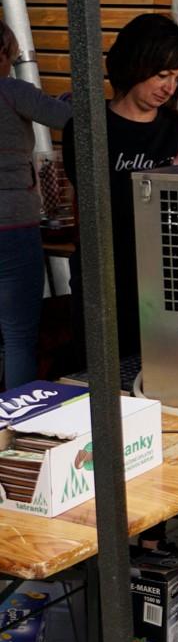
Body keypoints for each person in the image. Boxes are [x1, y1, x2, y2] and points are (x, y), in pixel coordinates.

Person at [63, 13, 178, 363]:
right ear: (135, 63)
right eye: (162, 75)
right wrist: (174, 168)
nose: (169, 88)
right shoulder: (87, 128)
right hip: (108, 283)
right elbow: (106, 206)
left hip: (171, 283)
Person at [0, 21, 71, 388]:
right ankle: (17, 414)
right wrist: (70, 101)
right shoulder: (12, 91)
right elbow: (67, 119)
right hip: (13, 223)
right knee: (18, 336)